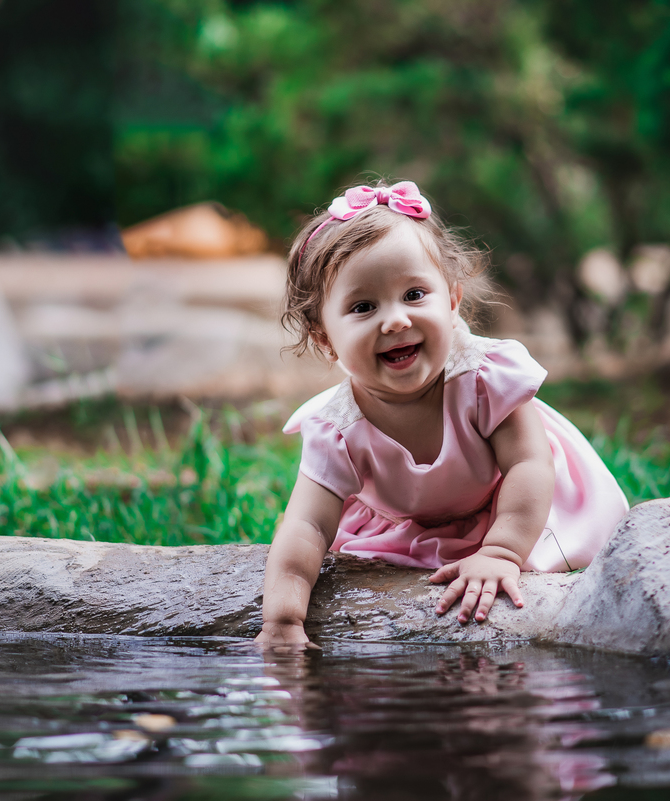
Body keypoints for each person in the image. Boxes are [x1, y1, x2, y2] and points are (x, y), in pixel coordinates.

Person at [256, 181, 629, 647]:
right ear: (325, 337)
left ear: (451, 300)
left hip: (515, 502)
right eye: (363, 306)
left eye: (414, 295)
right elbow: (306, 526)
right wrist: (283, 622)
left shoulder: (482, 379)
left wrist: (500, 552)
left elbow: (529, 464)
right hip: (410, 522)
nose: (395, 320)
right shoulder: (338, 430)